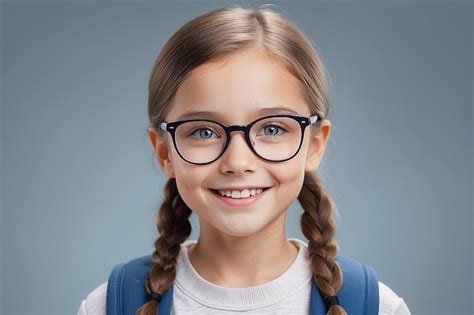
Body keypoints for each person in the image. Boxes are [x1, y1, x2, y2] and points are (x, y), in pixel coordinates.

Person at [77, 5, 411, 315]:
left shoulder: (379, 307)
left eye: (273, 128)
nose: (238, 161)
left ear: (314, 144)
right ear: (164, 151)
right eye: (204, 132)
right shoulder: (107, 306)